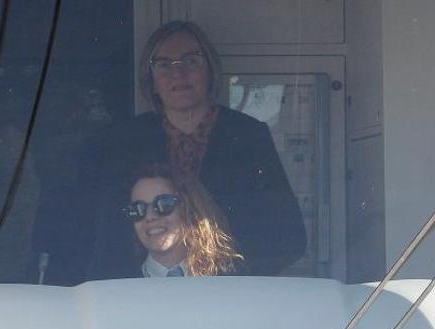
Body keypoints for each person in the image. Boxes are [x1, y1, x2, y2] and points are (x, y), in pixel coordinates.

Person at [84, 20, 306, 280]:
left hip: (230, 297)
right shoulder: (126, 141)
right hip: (143, 296)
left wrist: (235, 281)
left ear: (210, 69)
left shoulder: (248, 135)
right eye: (164, 65)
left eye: (190, 61)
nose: (178, 74)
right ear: (151, 79)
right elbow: (108, 237)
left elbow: (288, 236)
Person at [125, 164, 243, 277]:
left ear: (189, 208)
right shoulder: (116, 284)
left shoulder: (228, 279)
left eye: (164, 204)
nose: (150, 216)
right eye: (138, 209)